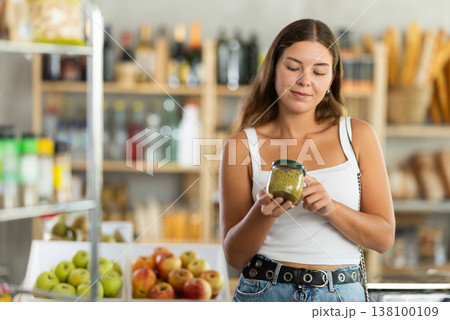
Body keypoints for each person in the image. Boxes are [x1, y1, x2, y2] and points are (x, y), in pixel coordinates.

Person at [219, 19, 395, 302]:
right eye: (293, 67)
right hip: (264, 293)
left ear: (332, 79)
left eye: (319, 71)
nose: (305, 80)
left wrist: (330, 207)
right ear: (273, 67)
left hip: (340, 297)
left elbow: (384, 239)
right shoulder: (241, 146)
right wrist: (263, 212)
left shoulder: (358, 136)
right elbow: (235, 256)